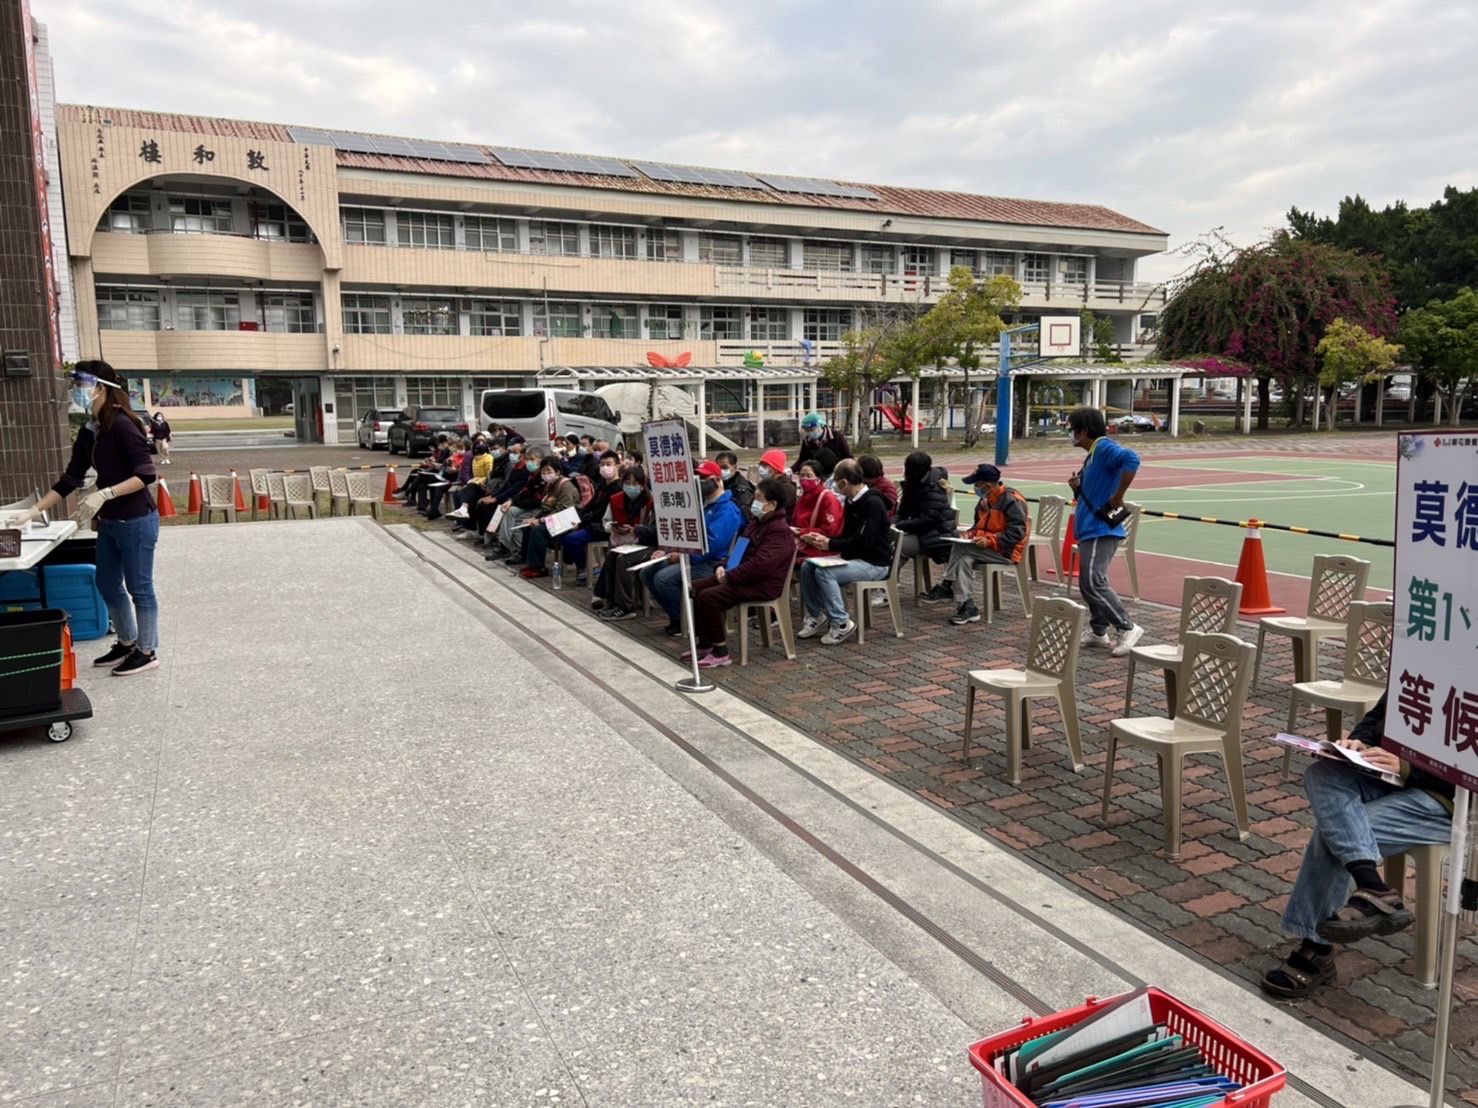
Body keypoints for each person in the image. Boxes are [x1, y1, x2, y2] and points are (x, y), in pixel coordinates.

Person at [1261, 695, 1452, 998]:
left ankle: (1317, 948)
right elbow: (1380, 713)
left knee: (1338, 828)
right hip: (1395, 775)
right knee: (1323, 774)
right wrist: (1359, 744)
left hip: (1450, 801)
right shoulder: (1424, 653)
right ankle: (1373, 887)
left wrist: (1409, 768)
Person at [25, 361, 161, 675]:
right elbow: (71, 478)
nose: (76, 391)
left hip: (137, 520)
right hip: (111, 521)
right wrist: (33, 511)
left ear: (100, 388)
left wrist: (104, 493)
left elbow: (145, 475)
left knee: (139, 587)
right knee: (107, 583)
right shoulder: (91, 431)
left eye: (80, 384)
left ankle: (148, 650)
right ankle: (127, 642)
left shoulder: (125, 426)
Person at [686, 477, 798, 668]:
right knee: (695, 588)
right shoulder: (756, 523)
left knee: (709, 597)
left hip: (763, 584)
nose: (754, 502)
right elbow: (737, 550)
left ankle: (721, 651)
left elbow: (761, 565)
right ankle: (705, 643)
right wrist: (722, 566)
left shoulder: (778, 531)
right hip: (742, 577)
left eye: (759, 499)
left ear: (771, 505)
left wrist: (729, 577)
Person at [1066, 406, 1143, 655]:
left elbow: (1131, 459)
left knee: (1093, 581)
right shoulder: (1092, 455)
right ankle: (1099, 631)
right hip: (1090, 527)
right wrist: (1078, 487)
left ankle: (1127, 626)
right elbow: (1095, 491)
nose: (1070, 433)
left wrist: (1119, 496)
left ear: (1084, 430)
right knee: (1090, 582)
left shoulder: (1103, 448)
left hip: (1099, 529)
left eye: (1072, 429)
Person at [638, 461, 744, 636]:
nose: (699, 481)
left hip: (713, 563)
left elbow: (711, 545)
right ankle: (678, 616)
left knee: (663, 579)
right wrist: (667, 551)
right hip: (691, 557)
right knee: (647, 572)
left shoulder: (727, 510)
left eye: (704, 478)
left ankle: (687, 621)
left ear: (717, 480)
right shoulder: (703, 504)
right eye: (697, 477)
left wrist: (681, 556)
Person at [919, 464, 1029, 626]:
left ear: (988, 484)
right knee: (963, 558)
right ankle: (968, 606)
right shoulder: (984, 501)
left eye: (977, 484)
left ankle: (946, 585)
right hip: (987, 548)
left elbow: (1016, 533)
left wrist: (991, 541)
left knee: (961, 548)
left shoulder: (1012, 501)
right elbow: (977, 527)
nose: (975, 487)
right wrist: (969, 534)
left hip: (1007, 551)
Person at [796, 459, 891, 645]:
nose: (834, 485)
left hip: (873, 562)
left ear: (844, 482)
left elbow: (864, 541)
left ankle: (841, 623)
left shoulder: (872, 504)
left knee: (825, 573)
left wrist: (830, 544)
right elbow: (847, 535)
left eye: (835, 480)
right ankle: (816, 615)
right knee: (808, 566)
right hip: (854, 557)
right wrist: (821, 541)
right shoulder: (850, 501)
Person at [594, 466, 655, 619]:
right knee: (612, 555)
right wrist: (612, 527)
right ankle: (612, 600)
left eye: (635, 483)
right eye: (628, 482)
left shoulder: (651, 501)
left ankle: (626, 607)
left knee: (623, 560)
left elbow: (656, 531)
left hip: (647, 544)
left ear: (642, 485)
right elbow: (605, 521)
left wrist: (636, 530)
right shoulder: (616, 499)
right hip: (623, 542)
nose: (631, 486)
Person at [554, 450, 620, 584]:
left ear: (617, 466)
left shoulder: (617, 488)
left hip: (604, 526)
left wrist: (580, 524)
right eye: (602, 464)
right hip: (592, 522)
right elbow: (590, 505)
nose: (604, 468)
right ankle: (585, 564)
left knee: (573, 538)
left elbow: (600, 513)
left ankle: (586, 567)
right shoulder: (603, 484)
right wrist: (575, 517)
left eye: (608, 464)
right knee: (562, 532)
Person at [521, 455, 583, 577]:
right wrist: (535, 518)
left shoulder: (566, 486)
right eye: (543, 471)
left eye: (548, 471)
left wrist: (541, 520)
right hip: (553, 518)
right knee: (528, 527)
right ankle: (529, 563)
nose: (545, 474)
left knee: (538, 531)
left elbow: (562, 510)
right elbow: (545, 508)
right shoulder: (549, 485)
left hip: (566, 521)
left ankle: (539, 568)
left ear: (558, 472)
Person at [792, 458, 844, 563]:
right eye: (801, 476)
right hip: (802, 542)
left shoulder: (827, 498)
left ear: (819, 478)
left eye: (809, 476)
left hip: (820, 547)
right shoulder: (803, 497)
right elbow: (794, 521)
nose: (804, 479)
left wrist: (801, 532)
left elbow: (829, 531)